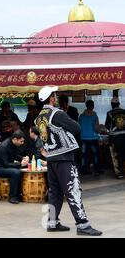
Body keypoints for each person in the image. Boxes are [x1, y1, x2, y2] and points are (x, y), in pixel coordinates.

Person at [36, 86, 102, 236]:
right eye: (55, 95)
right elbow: (77, 127)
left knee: (55, 192)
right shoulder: (57, 113)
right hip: (65, 157)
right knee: (73, 189)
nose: (57, 97)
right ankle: (82, 224)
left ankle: (52, 222)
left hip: (51, 158)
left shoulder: (39, 117)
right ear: (51, 98)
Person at [0, 130, 28, 204]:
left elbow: (14, 155)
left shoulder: (13, 144)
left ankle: (18, 194)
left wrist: (23, 158)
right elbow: (6, 164)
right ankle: (12, 196)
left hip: (5, 166)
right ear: (15, 139)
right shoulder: (4, 146)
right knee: (16, 172)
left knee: (22, 170)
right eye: (21, 141)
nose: (22, 143)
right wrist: (20, 164)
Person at [78, 100, 102, 175]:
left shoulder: (81, 116)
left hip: (83, 138)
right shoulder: (94, 116)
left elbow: (79, 127)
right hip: (93, 138)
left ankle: (84, 169)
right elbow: (96, 128)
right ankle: (97, 169)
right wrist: (100, 130)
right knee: (96, 154)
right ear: (93, 106)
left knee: (84, 155)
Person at [105, 97, 125, 179]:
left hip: (114, 137)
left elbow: (107, 125)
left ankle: (119, 173)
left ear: (112, 105)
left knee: (115, 155)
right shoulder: (124, 112)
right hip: (124, 136)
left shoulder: (110, 113)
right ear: (119, 104)